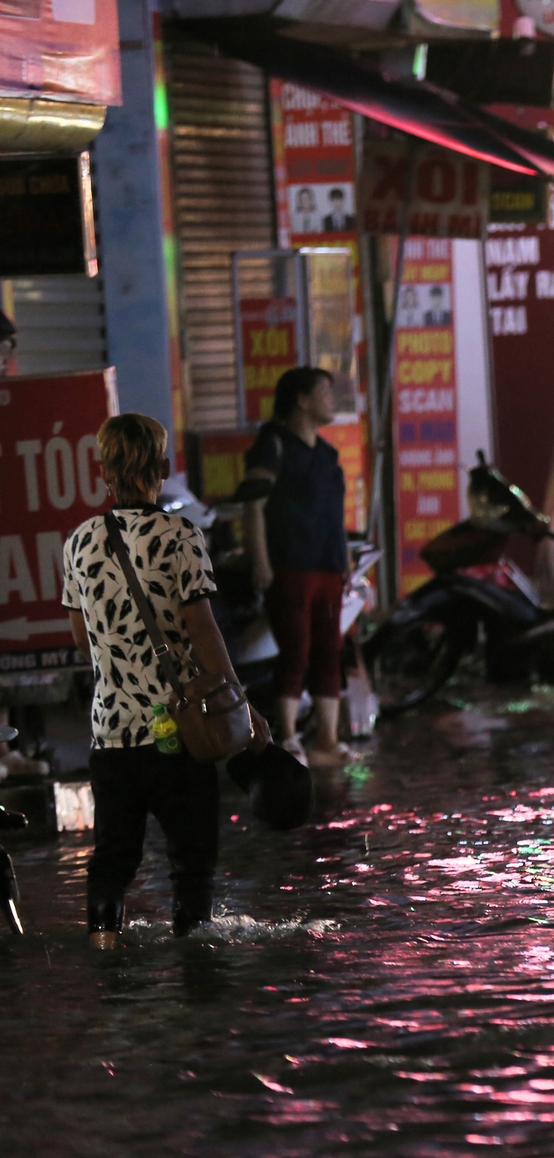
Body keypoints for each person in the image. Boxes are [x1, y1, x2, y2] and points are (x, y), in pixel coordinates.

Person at [61, 414, 270, 946]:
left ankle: (104, 957)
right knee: (191, 862)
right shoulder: (180, 535)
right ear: (163, 468)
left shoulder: (79, 543)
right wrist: (242, 703)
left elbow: (82, 640)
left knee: (113, 858)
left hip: (110, 736)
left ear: (103, 472)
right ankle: (197, 975)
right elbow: (203, 631)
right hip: (178, 730)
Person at [243, 366, 352, 768]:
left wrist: (345, 558)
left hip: (328, 566)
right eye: (324, 391)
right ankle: (288, 738)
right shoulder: (272, 445)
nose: (332, 399)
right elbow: (253, 506)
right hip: (290, 565)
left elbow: (335, 515)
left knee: (330, 649)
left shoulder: (327, 454)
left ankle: (328, 738)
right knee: (296, 650)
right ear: (301, 400)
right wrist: (261, 560)